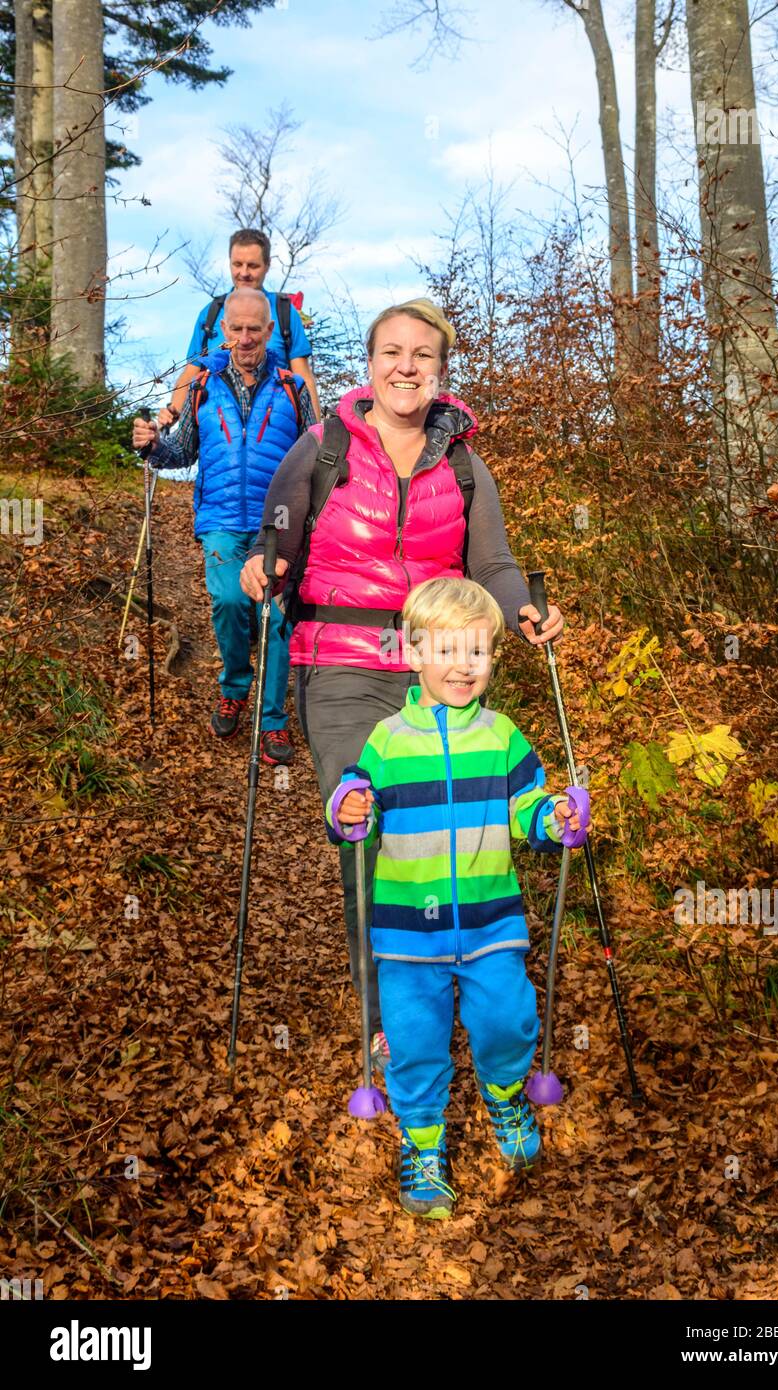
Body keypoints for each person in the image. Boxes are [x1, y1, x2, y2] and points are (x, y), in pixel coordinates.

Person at [239, 297, 564, 1065]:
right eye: (392, 352)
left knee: (446, 837)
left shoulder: (463, 461)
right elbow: (275, 541)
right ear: (371, 363)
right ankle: (391, 1017)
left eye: (423, 354)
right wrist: (263, 570)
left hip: (439, 671)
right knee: (366, 828)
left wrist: (523, 613)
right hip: (342, 668)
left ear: (441, 371)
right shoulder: (322, 449)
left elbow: (492, 566)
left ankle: (462, 981)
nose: (406, 366)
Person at [325, 578, 587, 1218]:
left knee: (507, 1021)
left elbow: (528, 806)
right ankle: (422, 1146)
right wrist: (349, 810)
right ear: (413, 654)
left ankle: (503, 1092)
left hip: (492, 922)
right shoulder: (387, 741)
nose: (462, 666)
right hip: (409, 939)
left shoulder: (503, 737)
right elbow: (359, 812)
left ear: (493, 657)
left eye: (477, 652)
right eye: (446, 650)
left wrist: (552, 817)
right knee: (415, 1043)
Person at [133, 288, 315, 764]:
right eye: (236, 328)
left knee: (275, 617)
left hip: (278, 523)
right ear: (224, 332)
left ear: (271, 331)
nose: (246, 337)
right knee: (231, 600)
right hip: (219, 519)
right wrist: (152, 446)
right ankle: (235, 685)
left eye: (255, 328)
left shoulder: (292, 387)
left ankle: (273, 722)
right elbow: (181, 454)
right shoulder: (203, 386)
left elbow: (319, 455)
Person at [160, 228, 321, 427]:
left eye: (252, 265)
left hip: (275, 433)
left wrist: (315, 435)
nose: (243, 273)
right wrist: (172, 413)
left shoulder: (284, 312)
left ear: (267, 265)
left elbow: (303, 376)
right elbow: (191, 372)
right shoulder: (210, 313)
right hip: (218, 436)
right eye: (237, 264)